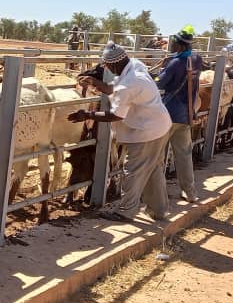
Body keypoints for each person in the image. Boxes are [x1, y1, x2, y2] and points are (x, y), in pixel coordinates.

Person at [68, 42, 173, 222]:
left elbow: (115, 115)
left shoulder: (129, 85)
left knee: (132, 170)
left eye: (106, 65)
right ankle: (159, 210)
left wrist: (87, 114)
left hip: (145, 131)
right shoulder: (135, 66)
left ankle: (125, 211)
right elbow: (112, 88)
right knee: (153, 169)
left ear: (114, 64)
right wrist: (95, 82)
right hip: (160, 126)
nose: (105, 68)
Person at [156, 26, 201, 203]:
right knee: (184, 155)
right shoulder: (197, 59)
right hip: (186, 114)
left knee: (158, 155)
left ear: (180, 45)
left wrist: (162, 69)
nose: (171, 45)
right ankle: (190, 192)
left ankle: (158, 196)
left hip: (169, 113)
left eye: (174, 43)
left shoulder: (175, 63)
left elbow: (160, 84)